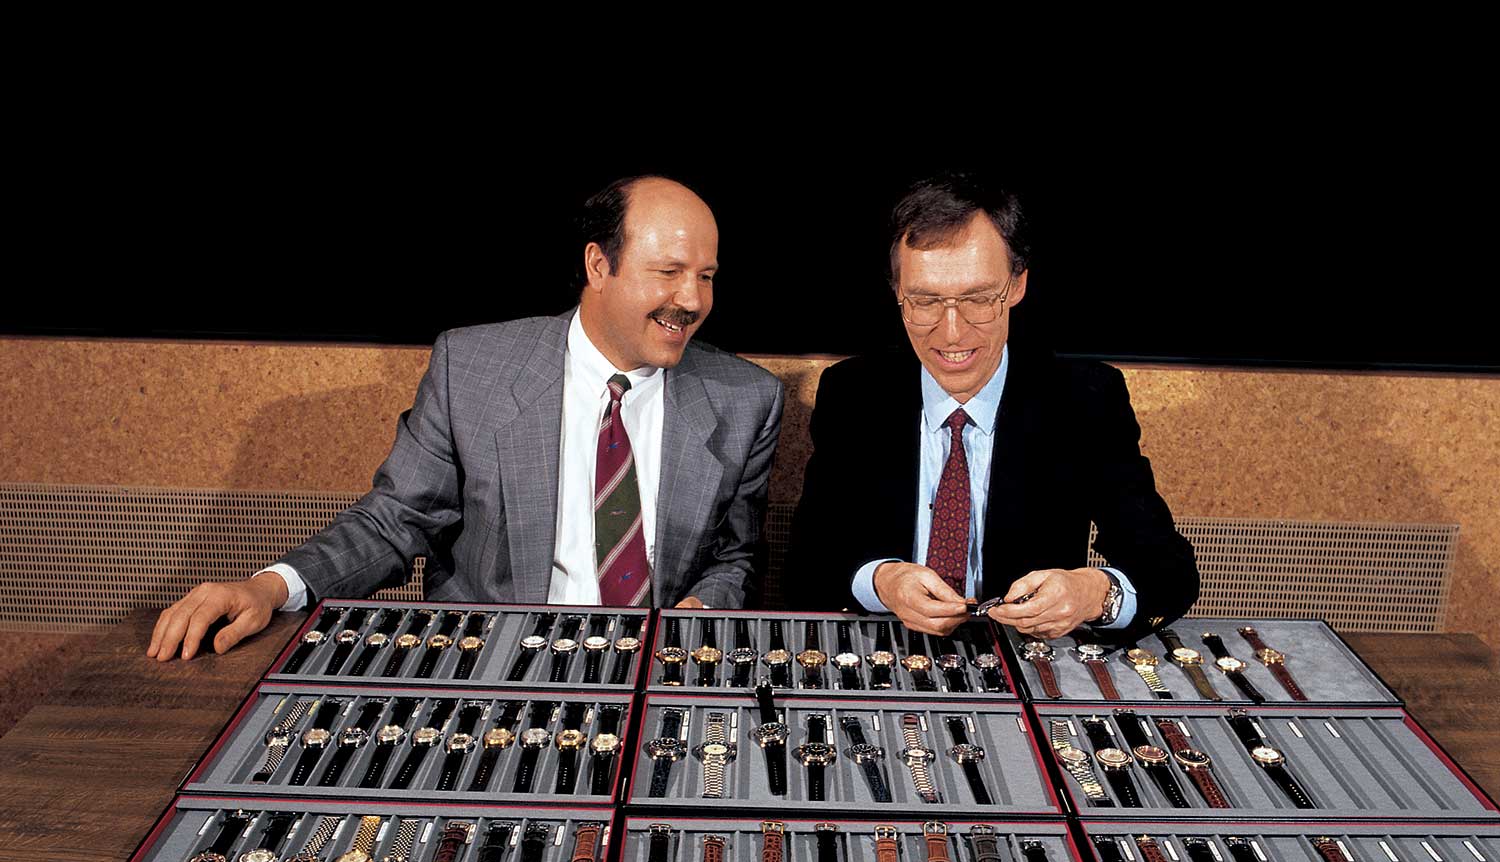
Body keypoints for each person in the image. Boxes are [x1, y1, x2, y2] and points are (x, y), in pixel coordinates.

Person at [150, 175, 784, 660]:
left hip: (656, 668)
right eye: (669, 272)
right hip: (492, 667)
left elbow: (737, 558)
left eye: (706, 276)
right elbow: (394, 522)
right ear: (599, 265)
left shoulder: (746, 399)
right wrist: (270, 588)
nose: (692, 299)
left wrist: (700, 613)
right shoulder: (472, 368)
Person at [787, 171, 1197, 639]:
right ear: (897, 290)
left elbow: (1168, 570)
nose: (952, 333)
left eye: (979, 299)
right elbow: (806, 568)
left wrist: (1093, 594)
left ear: (1017, 285)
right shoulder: (854, 393)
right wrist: (882, 582)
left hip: (1027, 657)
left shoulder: (1084, 398)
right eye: (924, 301)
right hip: (887, 652)